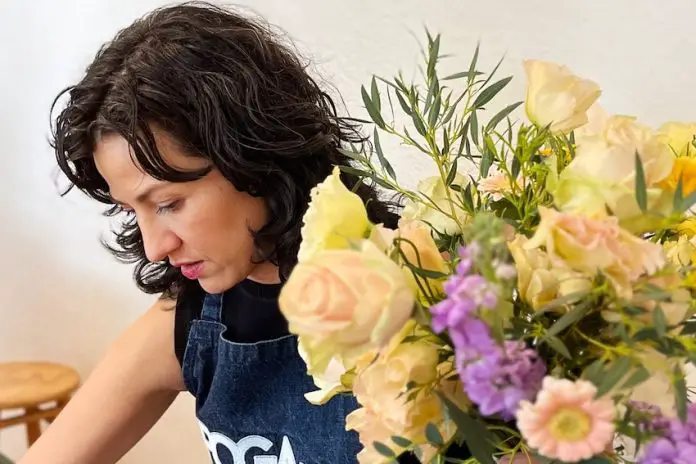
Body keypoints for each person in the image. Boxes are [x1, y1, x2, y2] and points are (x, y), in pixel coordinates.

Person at [21, 2, 470, 463]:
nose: (155, 247)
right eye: (132, 210)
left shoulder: (439, 291)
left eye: (169, 204)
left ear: (254, 157)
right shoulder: (191, 322)